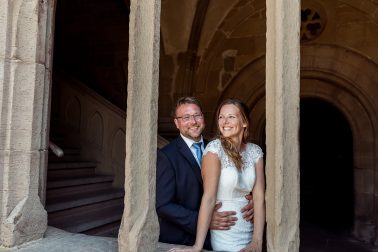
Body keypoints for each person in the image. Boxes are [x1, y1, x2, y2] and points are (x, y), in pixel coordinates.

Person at [156, 97, 254, 250]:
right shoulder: (166, 156)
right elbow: (163, 205)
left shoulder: (219, 147)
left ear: (203, 117)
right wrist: (204, 220)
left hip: (225, 235)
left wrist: (249, 200)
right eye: (186, 117)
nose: (193, 121)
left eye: (197, 115)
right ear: (177, 123)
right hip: (184, 239)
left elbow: (237, 181)